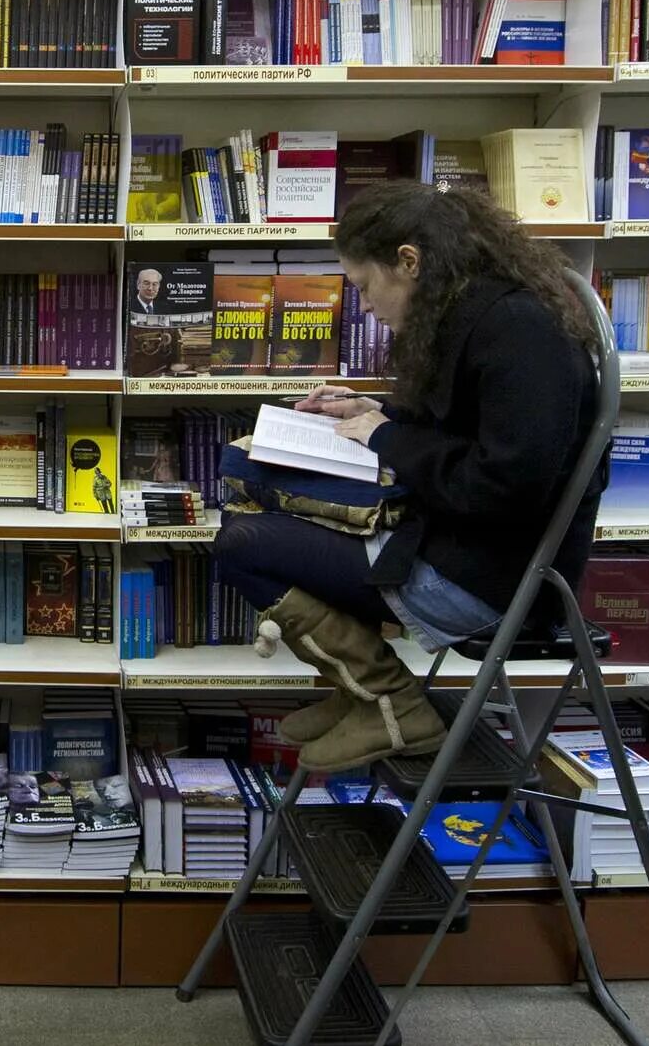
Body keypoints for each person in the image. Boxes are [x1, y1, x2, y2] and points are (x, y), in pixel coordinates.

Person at [212, 180, 605, 770]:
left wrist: (387, 436)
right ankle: (362, 692)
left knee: (242, 546)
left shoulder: (520, 332)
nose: (366, 306)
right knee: (253, 490)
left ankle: (389, 700)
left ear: (409, 262)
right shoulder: (478, 315)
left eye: (367, 287)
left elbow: (504, 487)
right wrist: (372, 413)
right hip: (447, 545)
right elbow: (464, 432)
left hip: (486, 582)